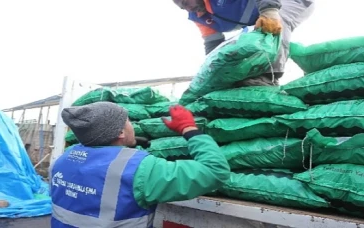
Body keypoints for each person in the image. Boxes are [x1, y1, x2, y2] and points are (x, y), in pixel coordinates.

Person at [50, 101, 230, 227]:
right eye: (128, 121)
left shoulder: (63, 160)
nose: (132, 125)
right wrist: (189, 129)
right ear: (120, 132)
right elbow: (215, 171)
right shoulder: (138, 168)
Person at [172, 0, 315, 86]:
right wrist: (213, 72)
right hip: (259, 15)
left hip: (288, 2)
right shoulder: (199, 17)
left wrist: (269, 9)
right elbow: (213, 46)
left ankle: (269, 76)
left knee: (273, 22)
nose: (187, 8)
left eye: (186, 2)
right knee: (236, 47)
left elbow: (269, 13)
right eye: (182, 7)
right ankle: (246, 77)